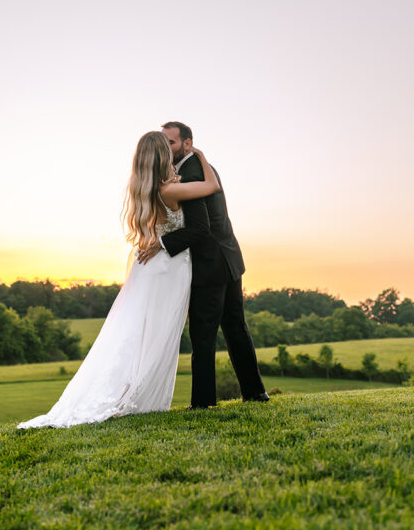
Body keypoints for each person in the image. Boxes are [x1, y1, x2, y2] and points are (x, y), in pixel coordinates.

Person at [17, 131, 220, 429]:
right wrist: (199, 154)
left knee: (136, 333)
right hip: (168, 269)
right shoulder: (170, 191)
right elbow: (212, 186)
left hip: (150, 268)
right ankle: (138, 398)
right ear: (164, 156)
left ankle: (132, 394)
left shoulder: (142, 188)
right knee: (158, 335)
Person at [138, 121, 267, 408]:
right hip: (229, 257)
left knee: (203, 334)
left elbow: (201, 228)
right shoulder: (203, 168)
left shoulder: (188, 174)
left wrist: (161, 244)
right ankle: (255, 392)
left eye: (171, 142)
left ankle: (203, 402)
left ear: (187, 143)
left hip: (210, 265)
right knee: (235, 327)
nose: (167, 148)